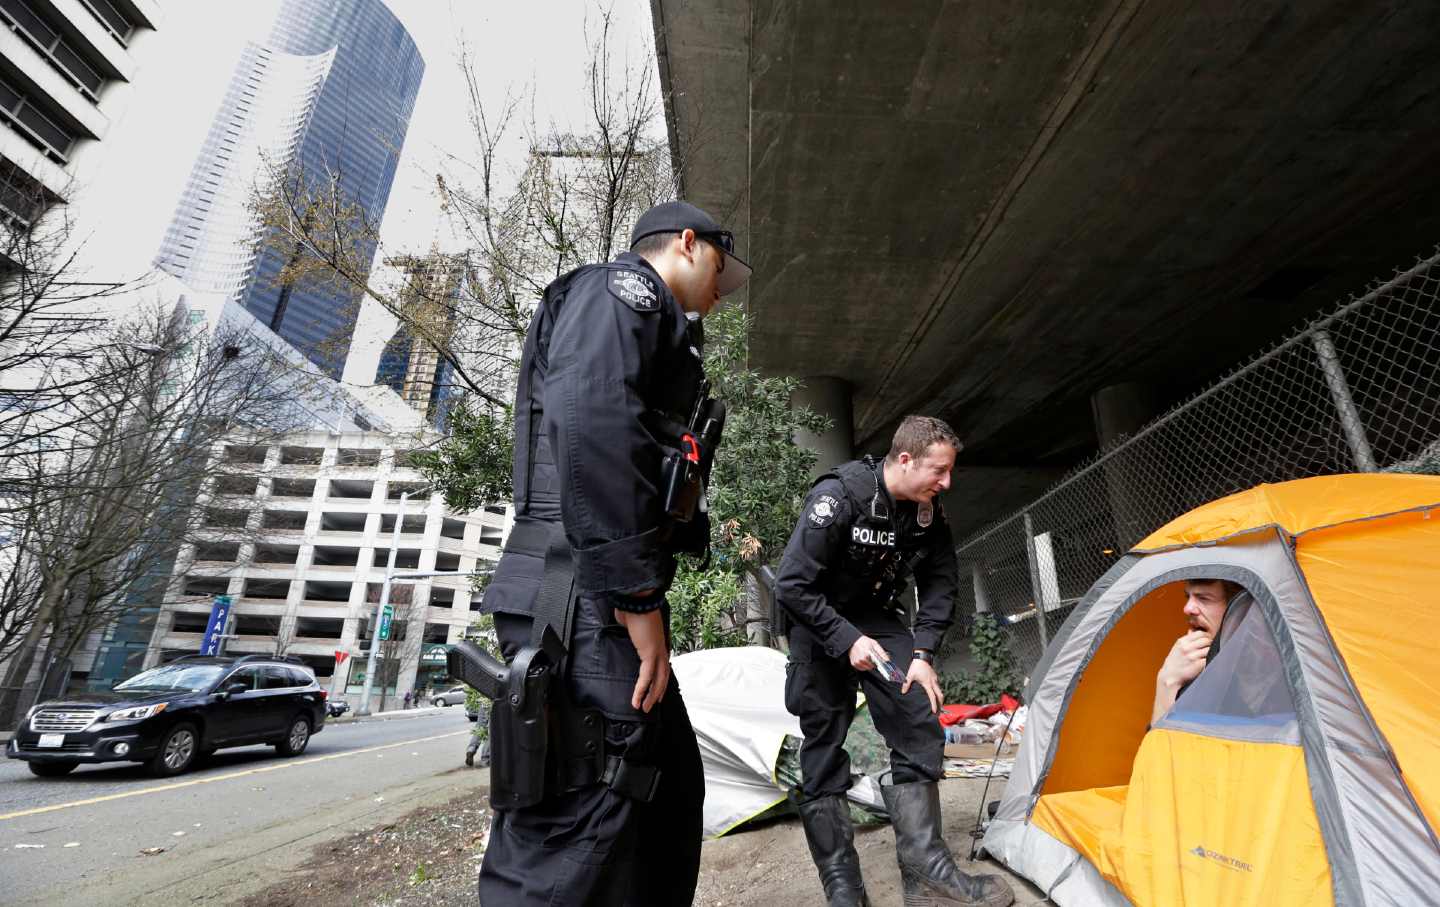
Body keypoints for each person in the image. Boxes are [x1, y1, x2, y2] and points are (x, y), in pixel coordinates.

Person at [476, 200, 750, 906]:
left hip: (591, 589)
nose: (722, 292)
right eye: (720, 268)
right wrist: (637, 595)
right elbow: (594, 427)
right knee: (577, 824)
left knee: (663, 795)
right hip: (580, 596)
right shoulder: (620, 292)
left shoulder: (652, 322)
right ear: (686, 243)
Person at [776, 416, 1013, 907]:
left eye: (949, 471)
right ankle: (843, 887)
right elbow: (792, 585)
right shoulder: (840, 497)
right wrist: (846, 639)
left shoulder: (927, 511)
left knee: (917, 712)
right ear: (905, 460)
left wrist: (923, 654)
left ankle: (927, 875)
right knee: (822, 742)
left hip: (876, 616)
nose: (946, 483)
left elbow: (941, 580)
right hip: (816, 619)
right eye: (939, 471)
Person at [1151, 578, 1243, 723]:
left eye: (1204, 598)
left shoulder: (1269, 675)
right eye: (1188, 597)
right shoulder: (1188, 668)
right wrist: (1168, 681)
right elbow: (1159, 738)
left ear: (1237, 610)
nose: (1187, 608)